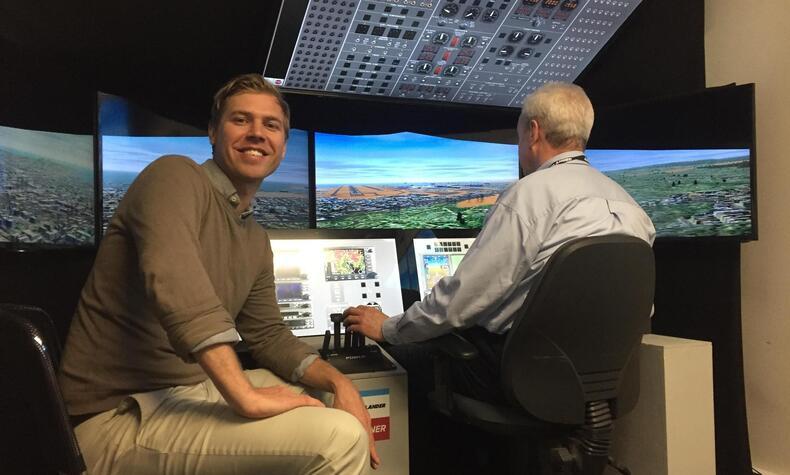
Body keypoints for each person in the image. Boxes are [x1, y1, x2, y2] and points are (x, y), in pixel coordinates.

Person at [58, 74, 378, 474]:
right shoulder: (173, 175)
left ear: (282, 144)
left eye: (271, 125)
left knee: (329, 401)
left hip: (189, 393)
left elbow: (267, 334)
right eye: (241, 120)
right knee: (338, 439)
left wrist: (339, 382)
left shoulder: (253, 236)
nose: (257, 134)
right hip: (116, 417)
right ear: (212, 131)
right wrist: (244, 394)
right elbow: (174, 278)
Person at [344, 82, 656, 403]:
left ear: (533, 132)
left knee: (397, 364)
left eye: (519, 135)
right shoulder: (632, 208)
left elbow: (462, 300)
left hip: (515, 375)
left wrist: (390, 329)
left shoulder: (529, 196)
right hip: (603, 378)